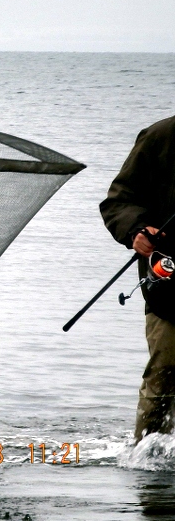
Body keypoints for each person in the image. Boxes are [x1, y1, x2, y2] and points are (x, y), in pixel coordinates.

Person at [100, 115, 175, 443]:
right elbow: (118, 201)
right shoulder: (160, 137)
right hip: (170, 287)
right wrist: (136, 231)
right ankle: (146, 460)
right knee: (163, 378)